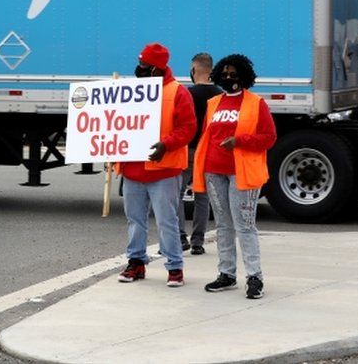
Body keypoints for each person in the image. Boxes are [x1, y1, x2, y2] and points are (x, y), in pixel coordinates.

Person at [192, 54, 277, 299]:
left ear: (244, 76)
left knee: (244, 226)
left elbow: (269, 137)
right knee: (223, 226)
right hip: (213, 171)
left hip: (242, 173)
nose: (229, 77)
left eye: (234, 73)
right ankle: (227, 274)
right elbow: (207, 137)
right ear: (217, 75)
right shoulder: (214, 103)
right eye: (225, 73)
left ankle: (254, 277)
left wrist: (239, 141)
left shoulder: (255, 103)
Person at [117, 43, 197, 288]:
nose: (139, 68)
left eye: (144, 65)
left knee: (167, 221)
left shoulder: (177, 92)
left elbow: (188, 127)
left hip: (164, 169)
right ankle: (136, 262)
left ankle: (174, 267)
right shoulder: (129, 91)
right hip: (133, 168)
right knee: (135, 219)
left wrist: (166, 144)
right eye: (139, 63)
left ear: (156, 68)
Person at [179, 53, 223, 255]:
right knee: (202, 197)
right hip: (208, 152)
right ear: (211, 71)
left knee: (176, 195)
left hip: (187, 150)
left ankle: (180, 237)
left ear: (193, 70)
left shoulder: (187, 94)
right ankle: (198, 241)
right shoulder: (220, 95)